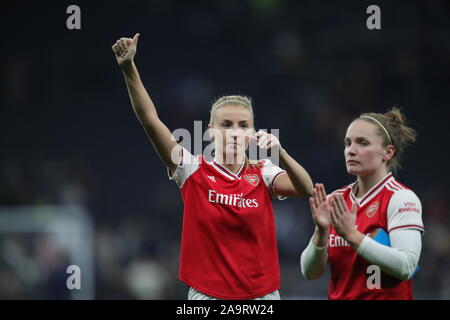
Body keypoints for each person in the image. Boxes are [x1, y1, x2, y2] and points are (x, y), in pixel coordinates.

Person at [112, 34, 313, 300]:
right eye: (226, 125)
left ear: (252, 132)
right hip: (208, 296)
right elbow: (150, 120)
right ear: (210, 132)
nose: (234, 132)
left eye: (243, 126)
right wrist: (129, 68)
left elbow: (306, 187)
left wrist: (281, 154)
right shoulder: (191, 169)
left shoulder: (263, 172)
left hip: (261, 296)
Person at [300, 108, 424, 300]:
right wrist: (321, 232)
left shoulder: (401, 198)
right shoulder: (336, 200)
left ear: (388, 152)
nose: (351, 150)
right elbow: (309, 272)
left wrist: (352, 235)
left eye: (362, 143)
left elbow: (406, 266)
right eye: (347, 143)